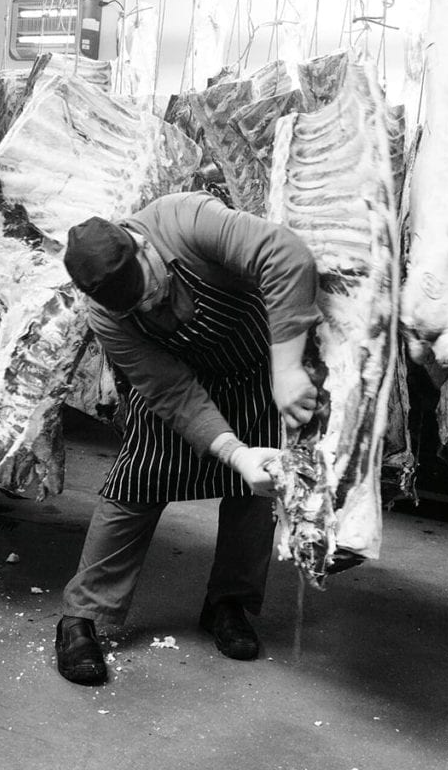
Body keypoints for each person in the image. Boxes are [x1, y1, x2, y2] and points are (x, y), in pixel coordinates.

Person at [55, 190, 320, 685]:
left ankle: (229, 605)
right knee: (138, 482)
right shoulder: (106, 316)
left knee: (256, 492)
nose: (151, 304)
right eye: (137, 306)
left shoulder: (187, 219)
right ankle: (82, 617)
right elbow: (172, 392)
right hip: (181, 384)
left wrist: (287, 368)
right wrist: (233, 452)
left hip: (257, 372)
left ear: (143, 246)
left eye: (150, 288)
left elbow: (287, 255)